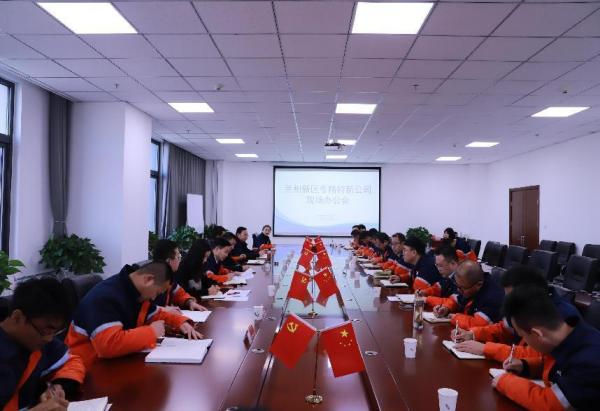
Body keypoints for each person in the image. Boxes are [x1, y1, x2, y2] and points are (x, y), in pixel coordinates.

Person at [65, 262, 202, 369]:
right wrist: (152, 332)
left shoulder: (133, 292)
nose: (154, 298)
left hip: (114, 363)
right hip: (88, 369)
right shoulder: (105, 297)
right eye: (157, 292)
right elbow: (108, 345)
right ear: (148, 279)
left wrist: (180, 322)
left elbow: (153, 313)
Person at [492, 285, 600, 410]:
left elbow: (550, 404)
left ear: (537, 334)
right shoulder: (566, 334)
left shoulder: (589, 361)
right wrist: (525, 366)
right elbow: (557, 369)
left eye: (523, 336)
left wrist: (505, 382)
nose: (524, 342)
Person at [453, 266, 579, 362]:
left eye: (510, 296)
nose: (507, 301)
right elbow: (503, 329)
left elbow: (536, 355)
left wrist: (485, 349)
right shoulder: (525, 304)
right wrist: (473, 334)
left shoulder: (561, 317)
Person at [1, 278, 85, 411]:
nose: (49, 339)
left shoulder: (36, 342)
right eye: (46, 331)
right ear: (17, 317)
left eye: (55, 332)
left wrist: (58, 386)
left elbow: (71, 361)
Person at [433, 260, 504, 328]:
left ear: (478, 285)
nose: (458, 290)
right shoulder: (466, 284)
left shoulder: (493, 297)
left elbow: (478, 324)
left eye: (462, 288)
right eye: (457, 286)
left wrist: (455, 317)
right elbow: (457, 299)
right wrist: (446, 308)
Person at [152, 239, 207, 311]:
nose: (179, 261)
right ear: (168, 261)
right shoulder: (151, 280)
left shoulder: (168, 276)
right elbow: (145, 308)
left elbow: (178, 293)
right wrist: (163, 309)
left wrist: (190, 302)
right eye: (178, 257)